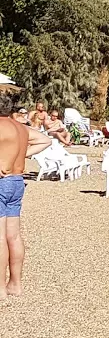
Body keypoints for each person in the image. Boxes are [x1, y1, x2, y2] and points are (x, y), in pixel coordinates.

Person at [0, 96, 50, 298]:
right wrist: (21, 154)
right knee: (14, 235)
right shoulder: (20, 127)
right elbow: (45, 140)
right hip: (17, 181)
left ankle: (0, 288)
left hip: (2, 182)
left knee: (0, 237)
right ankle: (15, 284)